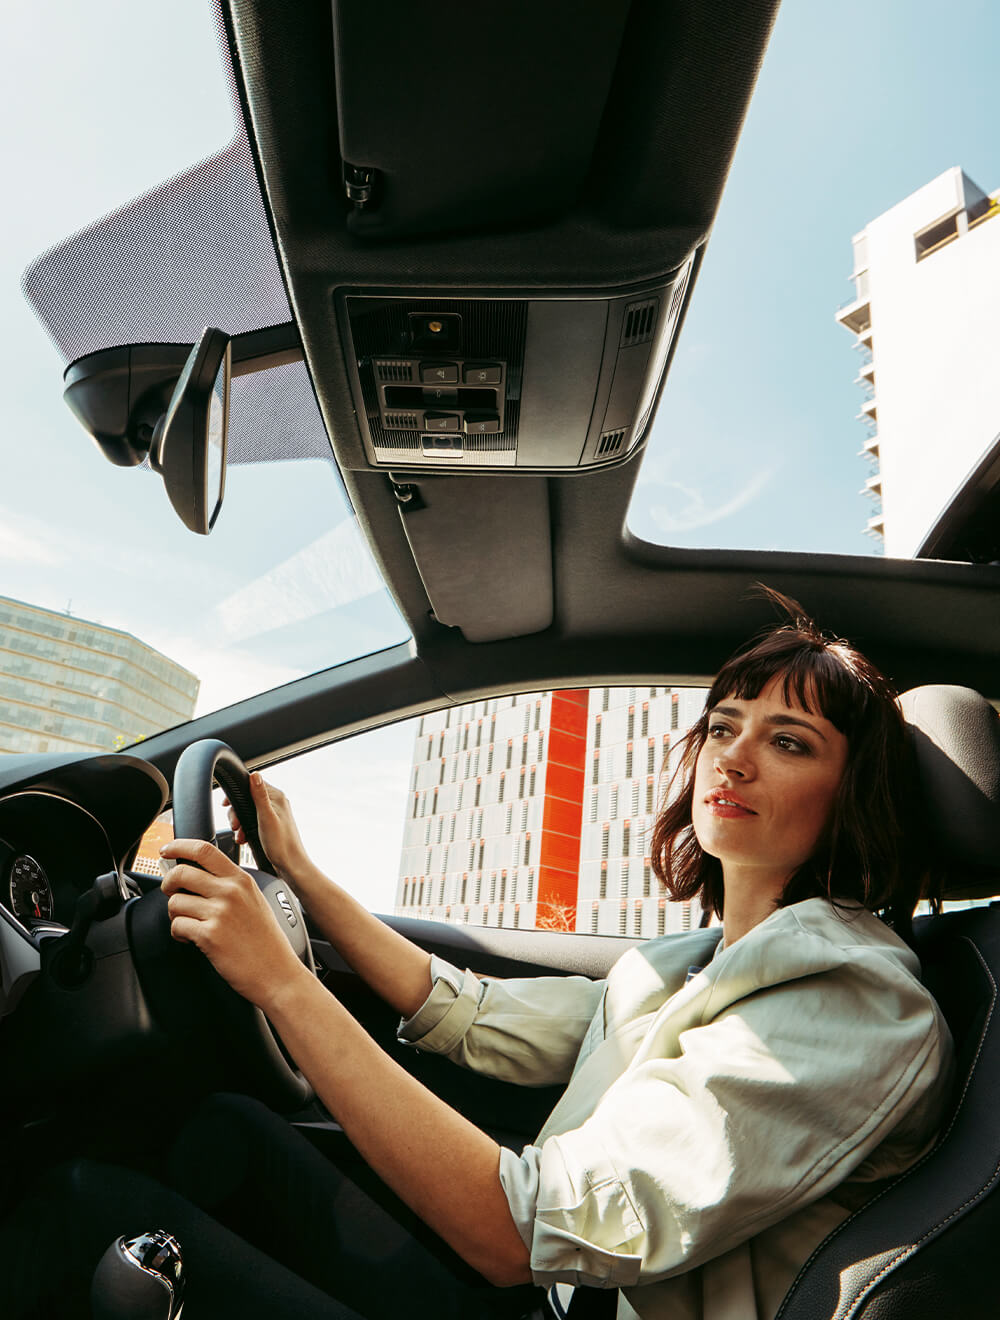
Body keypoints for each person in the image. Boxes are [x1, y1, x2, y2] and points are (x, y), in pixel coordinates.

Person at [0, 593, 953, 1319]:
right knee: (221, 1130)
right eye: (722, 725)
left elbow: (519, 1232)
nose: (732, 758)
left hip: (550, 1292)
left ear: (853, 794)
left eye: (788, 741)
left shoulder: (851, 1000)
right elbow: (466, 1011)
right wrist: (302, 878)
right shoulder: (695, 963)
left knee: (84, 1210)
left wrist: (282, 980)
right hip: (547, 1295)